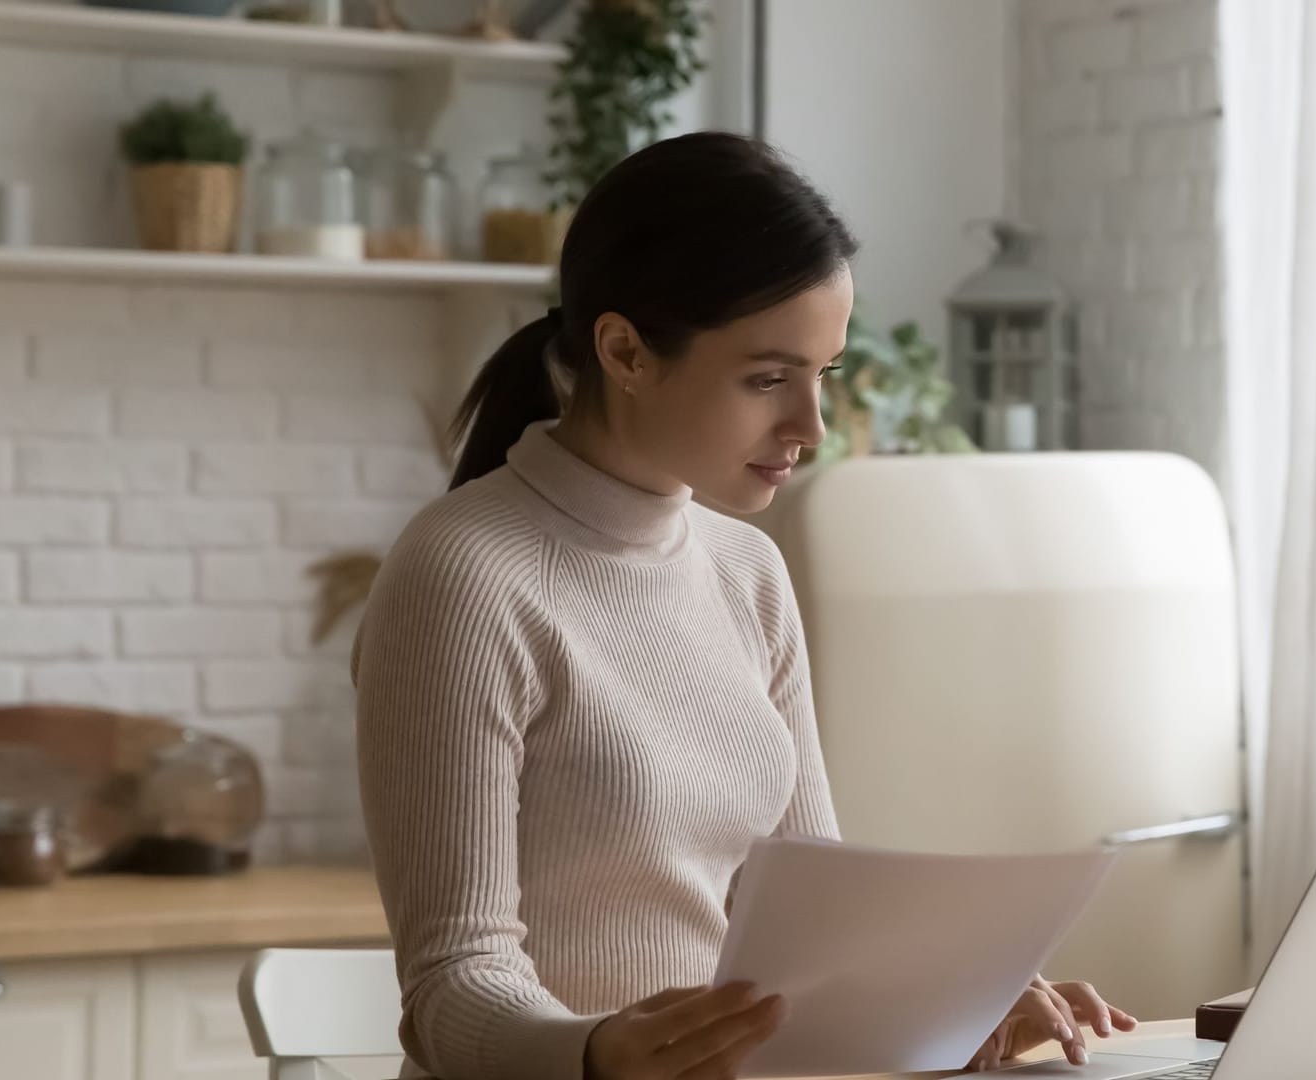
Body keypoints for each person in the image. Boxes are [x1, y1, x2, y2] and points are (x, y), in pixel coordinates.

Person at [353, 131, 1138, 1080]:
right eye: (768, 377)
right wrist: (598, 1052)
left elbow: (819, 916)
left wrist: (956, 996)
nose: (809, 426)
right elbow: (451, 983)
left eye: (825, 374)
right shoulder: (463, 576)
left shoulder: (747, 573)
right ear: (624, 351)